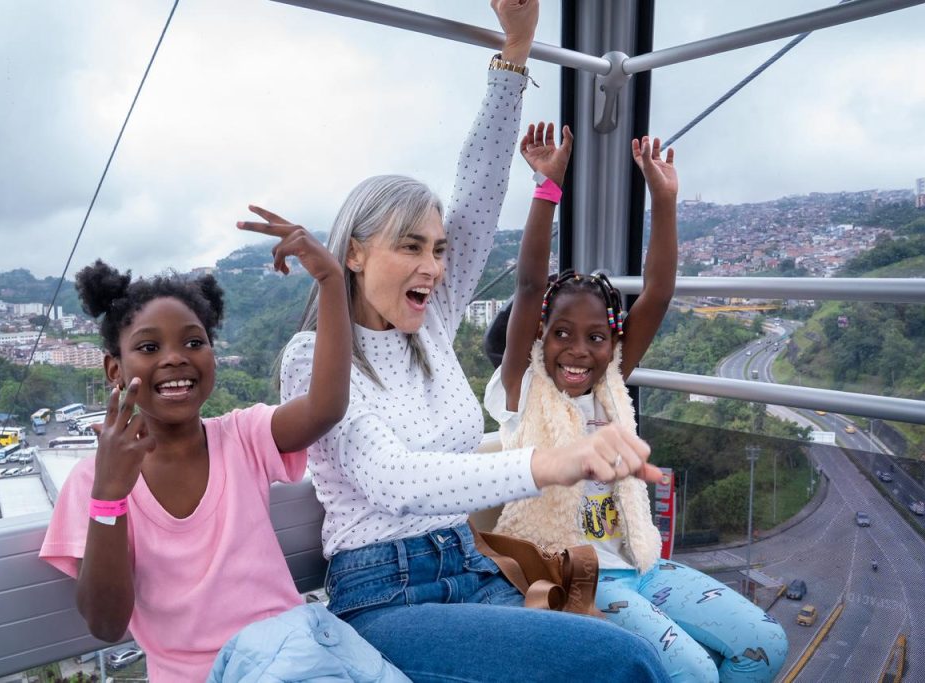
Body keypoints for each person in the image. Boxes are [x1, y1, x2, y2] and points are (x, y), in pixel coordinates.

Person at [268, 2, 669, 680]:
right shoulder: (314, 358)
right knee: (623, 662)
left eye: (439, 249)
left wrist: (515, 54)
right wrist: (550, 461)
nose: (433, 266)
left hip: (472, 563)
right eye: (411, 246)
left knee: (618, 648)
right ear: (355, 254)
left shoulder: (431, 323)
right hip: (386, 595)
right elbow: (394, 479)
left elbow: (479, 191)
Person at [482, 122, 788, 682]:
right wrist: (548, 188)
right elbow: (528, 288)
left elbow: (659, 292)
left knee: (765, 643)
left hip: (641, 564)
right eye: (561, 334)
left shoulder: (610, 385)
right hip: (577, 573)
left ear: (613, 345)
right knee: (695, 673)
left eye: (596, 337)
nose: (578, 350)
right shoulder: (522, 391)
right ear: (537, 338)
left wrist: (663, 200)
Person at [39, 219, 405, 682]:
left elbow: (325, 407)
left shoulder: (242, 436)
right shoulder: (94, 481)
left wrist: (333, 282)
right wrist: (110, 496)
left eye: (194, 342)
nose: (175, 357)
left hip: (295, 652)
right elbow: (107, 624)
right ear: (115, 369)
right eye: (149, 347)